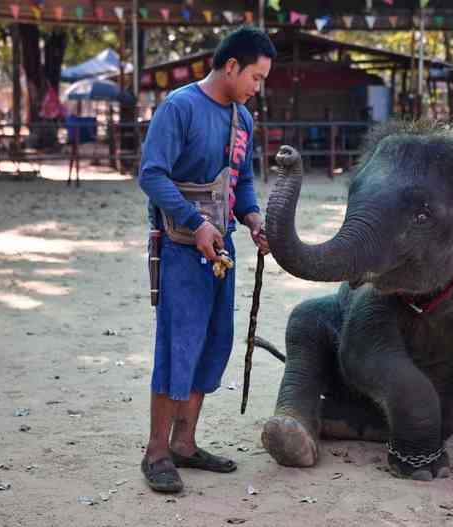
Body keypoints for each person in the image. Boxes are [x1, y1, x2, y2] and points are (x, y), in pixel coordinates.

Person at [138, 26, 276, 493]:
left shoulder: (243, 119)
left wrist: (254, 219)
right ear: (232, 65)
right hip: (181, 249)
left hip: (222, 249)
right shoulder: (179, 107)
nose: (257, 88)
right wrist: (194, 224)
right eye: (255, 77)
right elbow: (151, 175)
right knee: (179, 345)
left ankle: (186, 444)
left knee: (214, 342)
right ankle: (156, 452)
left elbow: (242, 182)